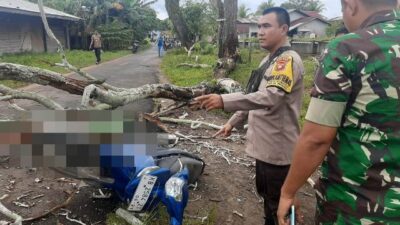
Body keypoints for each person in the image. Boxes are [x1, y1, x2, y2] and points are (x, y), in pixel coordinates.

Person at [277, 0, 400, 225]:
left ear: (350, 4)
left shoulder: (347, 49)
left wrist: (288, 192)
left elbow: (316, 138)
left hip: (355, 207)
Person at [194, 7, 304, 225]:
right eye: (259, 26)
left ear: (284, 29)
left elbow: (270, 97)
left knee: (279, 207)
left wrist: (224, 100)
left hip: (278, 152)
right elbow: (252, 95)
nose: (260, 32)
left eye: (266, 26)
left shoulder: (286, 61)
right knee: (269, 201)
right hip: (265, 150)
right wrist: (231, 123)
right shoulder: (268, 60)